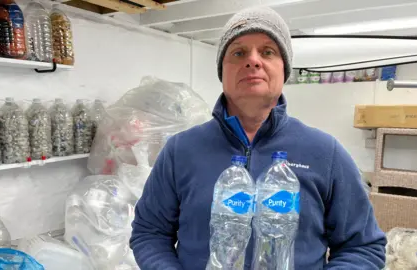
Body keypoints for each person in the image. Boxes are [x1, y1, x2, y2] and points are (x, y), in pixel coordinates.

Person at [130, 6, 387, 270]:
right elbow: (149, 233)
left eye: (267, 52)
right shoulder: (180, 150)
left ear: (284, 69)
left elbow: (363, 247)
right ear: (222, 72)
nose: (253, 61)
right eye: (238, 52)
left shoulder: (326, 153)